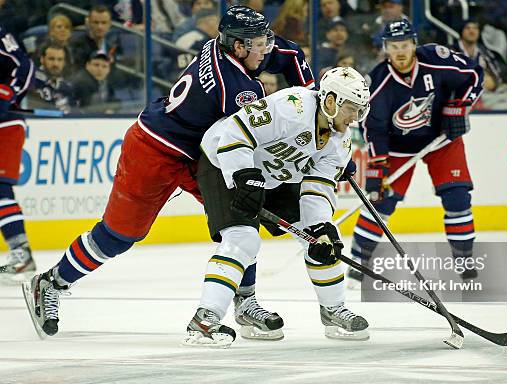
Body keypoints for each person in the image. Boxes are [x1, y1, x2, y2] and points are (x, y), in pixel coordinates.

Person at [21, 6, 314, 339]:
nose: (266, 49)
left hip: (197, 152)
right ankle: (51, 282)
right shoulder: (235, 87)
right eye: (259, 43)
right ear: (238, 47)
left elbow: (290, 55)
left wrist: (316, 100)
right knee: (119, 236)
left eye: (265, 40)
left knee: (239, 220)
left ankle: (244, 302)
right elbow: (247, 139)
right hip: (154, 149)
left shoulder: (226, 47)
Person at [185, 67, 370, 347]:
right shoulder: (291, 106)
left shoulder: (340, 140)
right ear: (330, 101)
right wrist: (244, 179)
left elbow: (317, 188)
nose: (355, 117)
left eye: (360, 110)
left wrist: (321, 227)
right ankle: (204, 320)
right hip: (225, 161)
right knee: (243, 238)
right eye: (351, 109)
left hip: (274, 176)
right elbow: (236, 132)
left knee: (321, 238)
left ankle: (333, 311)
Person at [346, 19, 484, 287]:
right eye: (394, 46)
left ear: (414, 44)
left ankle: (464, 260)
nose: (400, 51)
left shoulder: (436, 59)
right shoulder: (378, 82)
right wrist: (377, 167)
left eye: (405, 45)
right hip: (398, 148)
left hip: (441, 139)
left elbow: (475, 75)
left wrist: (458, 107)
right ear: (385, 48)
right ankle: (358, 261)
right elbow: (373, 129)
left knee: (457, 197)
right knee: (380, 201)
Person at [0, 25, 36, 283]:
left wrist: (7, 94)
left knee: (0, 189)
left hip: (5, 124)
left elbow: (25, 67)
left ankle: (21, 254)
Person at [30, 42, 74, 113]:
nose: (55, 64)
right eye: (51, 59)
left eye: (60, 60)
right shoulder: (31, 80)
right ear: (42, 59)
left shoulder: (66, 87)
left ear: (64, 62)